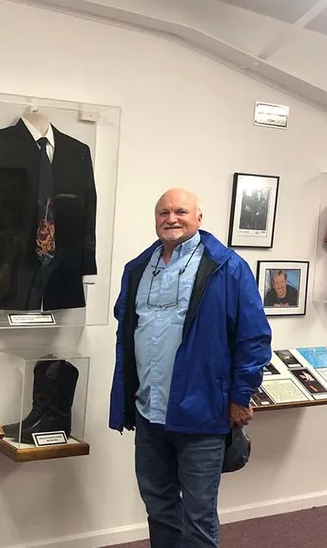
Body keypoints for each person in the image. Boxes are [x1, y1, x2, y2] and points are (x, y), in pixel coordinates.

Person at [109, 188, 271, 548]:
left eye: (180, 211)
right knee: (158, 506)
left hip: (202, 413)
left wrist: (240, 395)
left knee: (198, 516)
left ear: (199, 217)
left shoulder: (227, 268)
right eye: (163, 212)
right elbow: (127, 333)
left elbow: (254, 338)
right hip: (149, 412)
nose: (171, 218)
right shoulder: (137, 269)